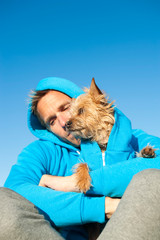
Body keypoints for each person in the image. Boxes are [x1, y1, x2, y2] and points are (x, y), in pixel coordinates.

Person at [1, 77, 160, 240]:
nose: (64, 122)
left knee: (152, 180)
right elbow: (15, 191)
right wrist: (103, 207)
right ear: (47, 130)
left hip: (130, 228)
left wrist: (72, 184)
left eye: (65, 108)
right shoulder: (42, 151)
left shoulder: (131, 137)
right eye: (52, 121)